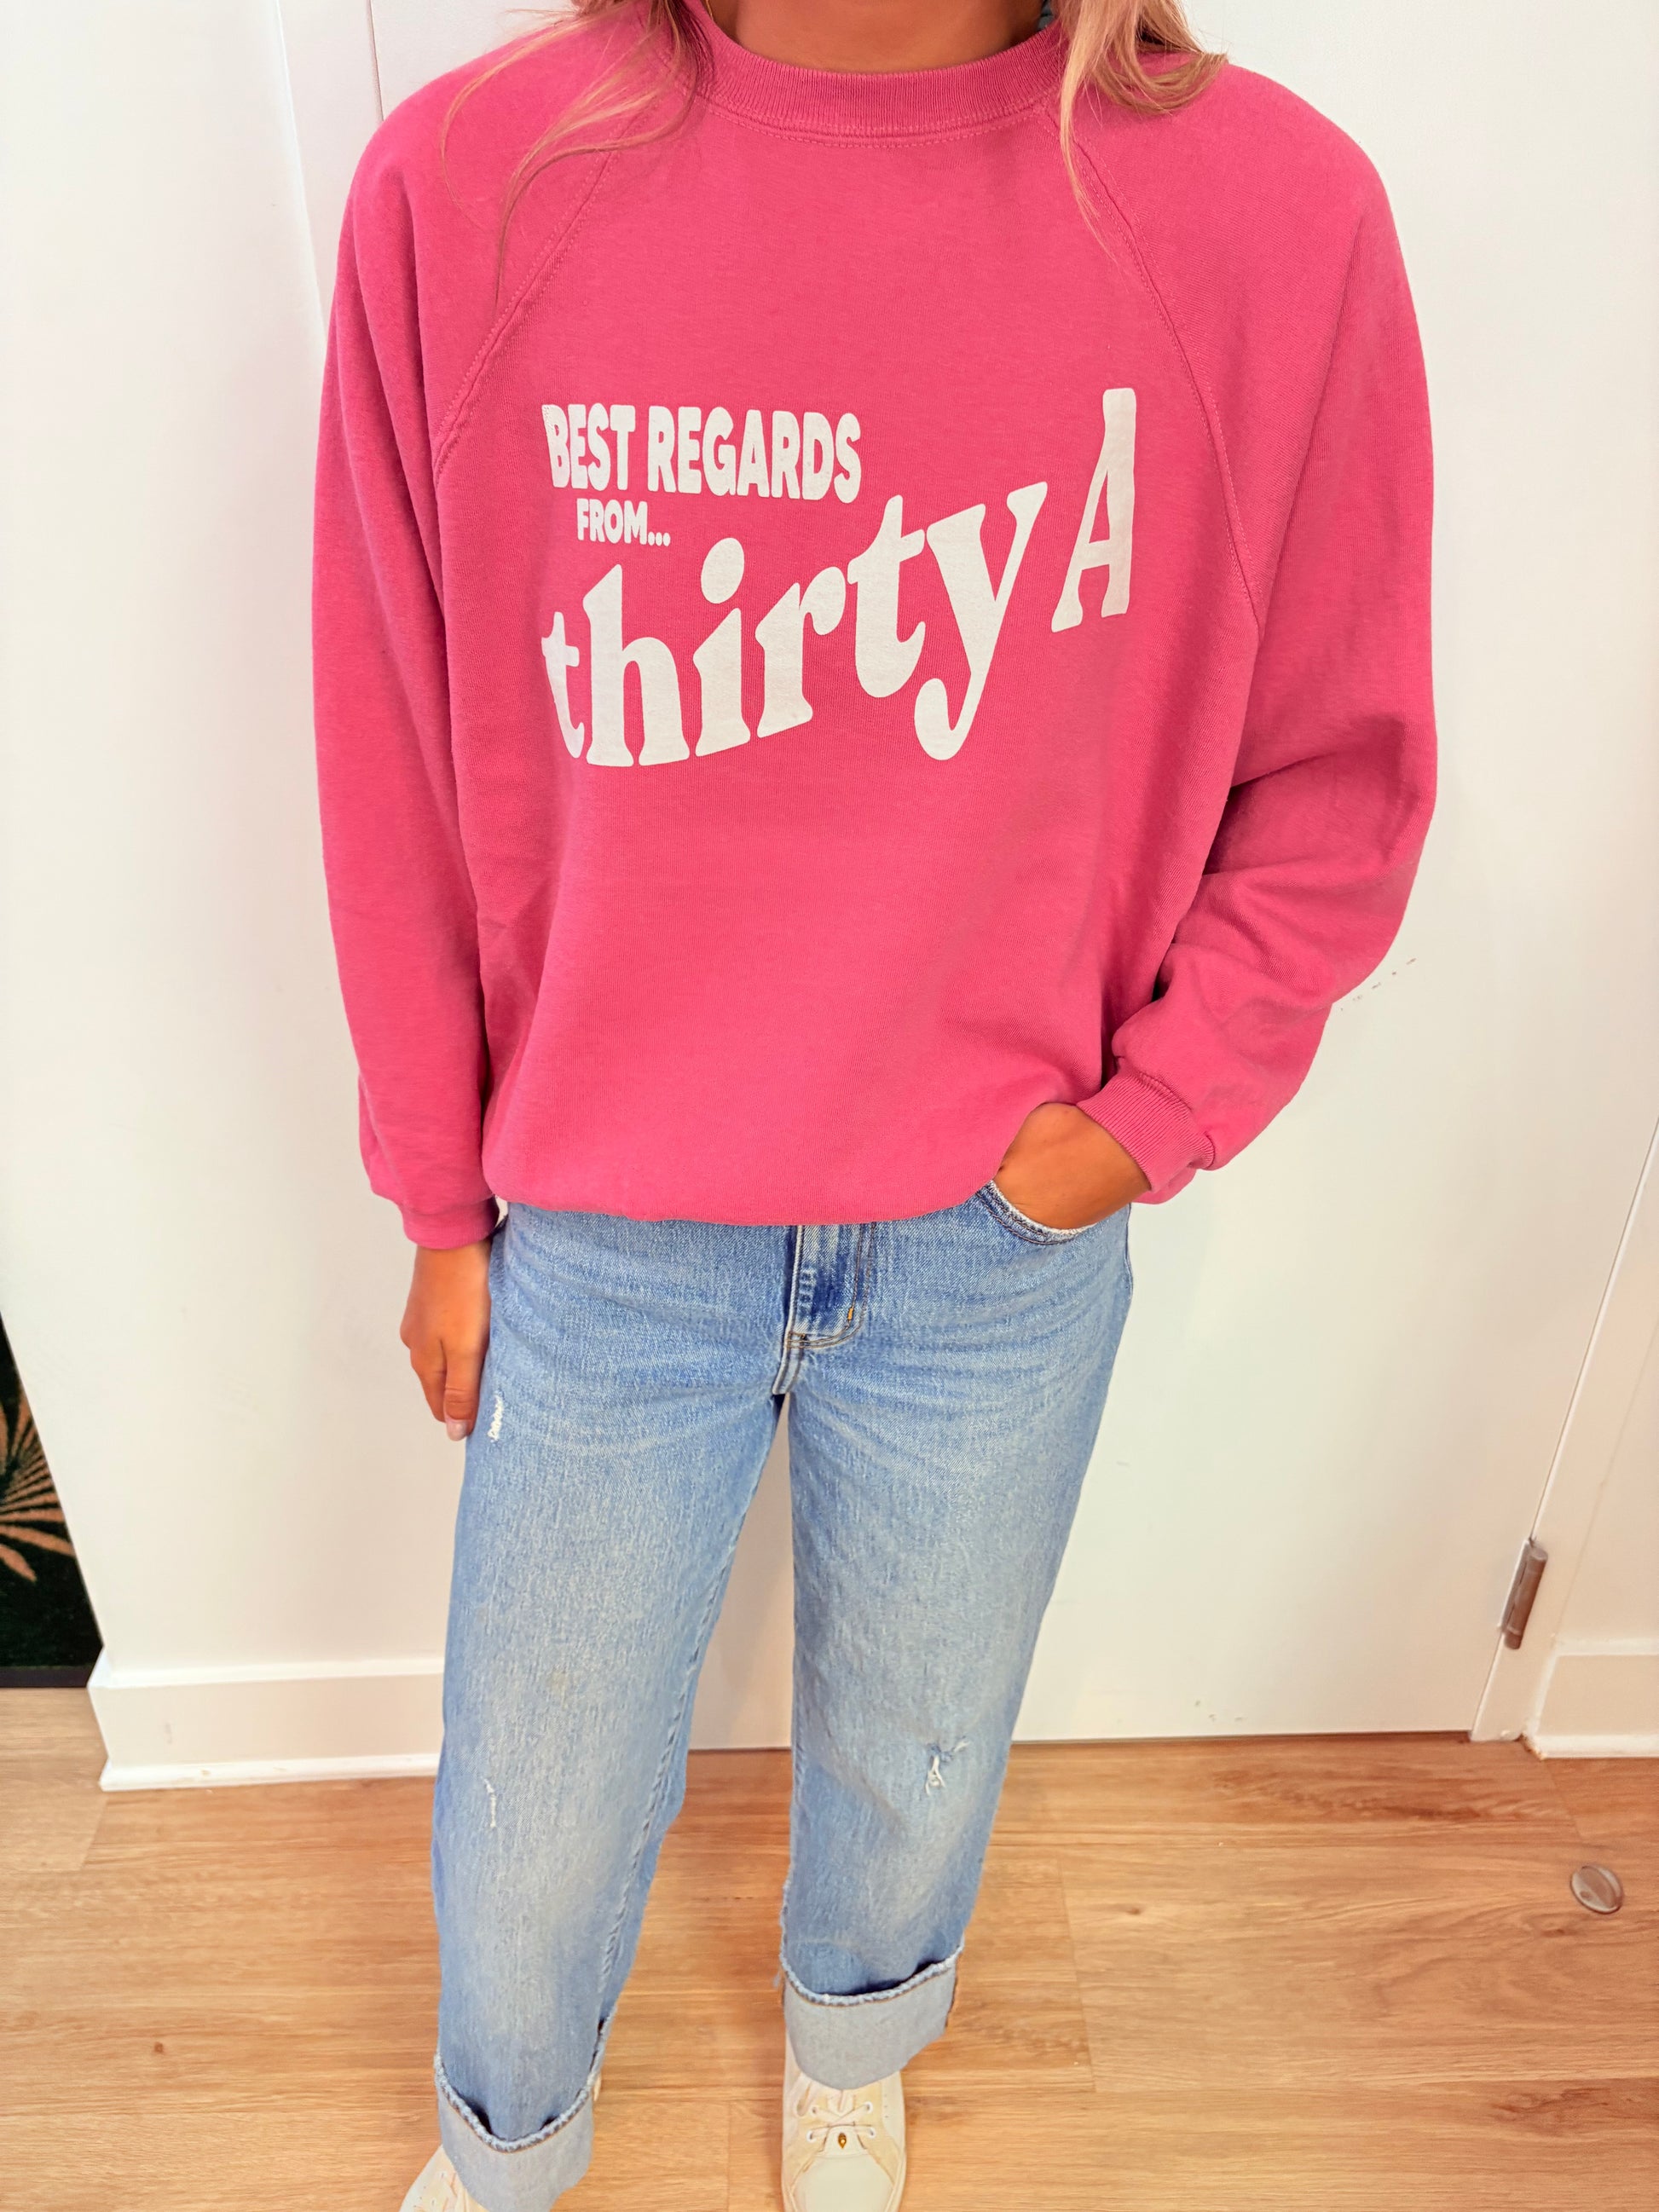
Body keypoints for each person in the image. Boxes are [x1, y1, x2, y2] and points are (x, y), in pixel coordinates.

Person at [312, 1, 1435, 2204]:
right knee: (530, 1802)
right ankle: (508, 2150)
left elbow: (1338, 777)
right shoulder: (469, 191)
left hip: (989, 1241)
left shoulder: (1267, 222)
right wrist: (439, 1193)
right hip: (602, 1225)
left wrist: (1140, 1119)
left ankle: (853, 2045)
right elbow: (395, 743)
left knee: (919, 1741)